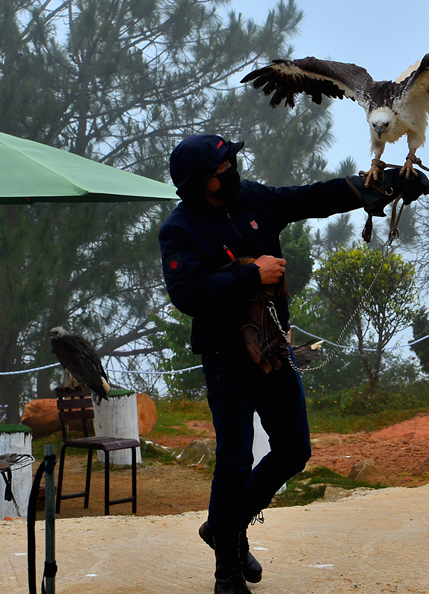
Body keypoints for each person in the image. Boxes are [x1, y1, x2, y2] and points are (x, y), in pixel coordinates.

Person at [158, 135, 397, 594]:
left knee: (293, 450)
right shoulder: (179, 229)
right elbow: (188, 294)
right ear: (200, 182)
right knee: (235, 459)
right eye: (221, 168)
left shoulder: (253, 198)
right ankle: (228, 574)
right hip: (226, 355)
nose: (232, 170)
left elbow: (310, 198)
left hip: (272, 347)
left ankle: (223, 528)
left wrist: (370, 186)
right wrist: (253, 273)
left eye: (231, 161)